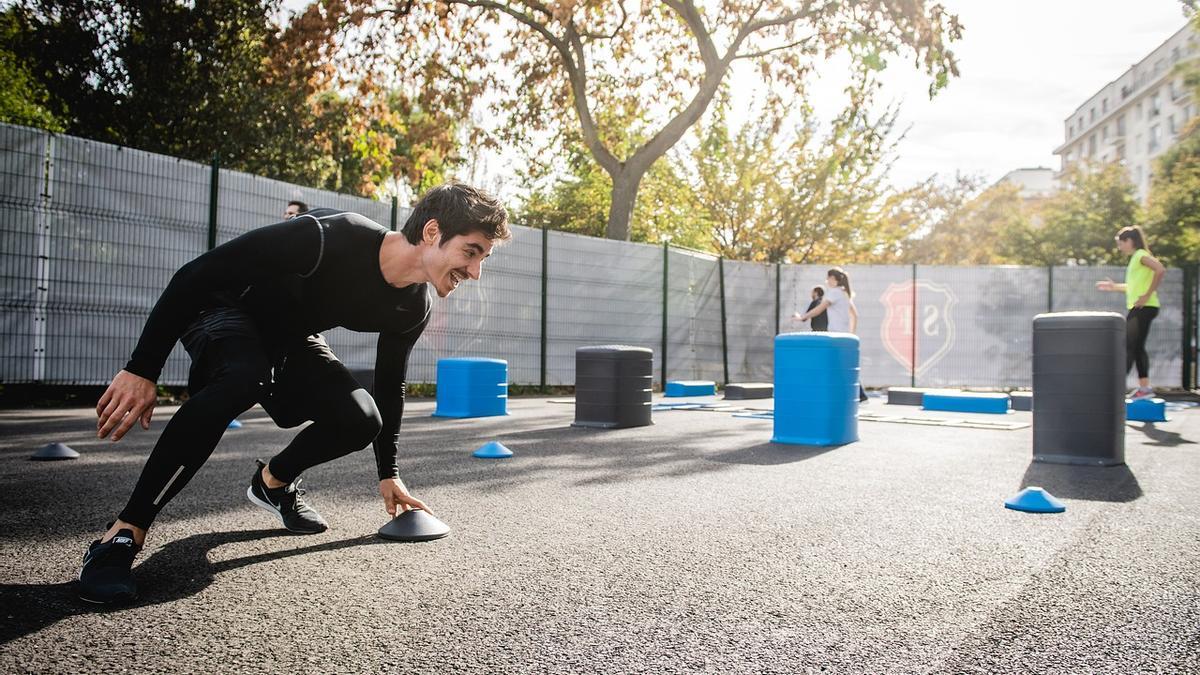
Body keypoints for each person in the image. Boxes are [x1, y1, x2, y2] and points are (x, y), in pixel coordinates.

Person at [78, 182, 510, 605]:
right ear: (432, 232)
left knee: (362, 418)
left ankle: (272, 483)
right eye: (471, 253)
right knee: (243, 378)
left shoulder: (412, 307)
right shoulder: (326, 236)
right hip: (223, 310)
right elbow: (196, 275)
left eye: (482, 259)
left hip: (288, 337)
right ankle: (123, 534)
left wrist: (388, 472)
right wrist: (142, 369)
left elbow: (389, 384)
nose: (475, 272)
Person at [1096, 225, 1165, 400]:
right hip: (1142, 307)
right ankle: (1143, 388)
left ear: (1130, 241)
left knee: (1129, 346)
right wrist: (1114, 287)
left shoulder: (1141, 255)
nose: (1120, 248)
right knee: (1135, 346)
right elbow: (1133, 288)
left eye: (1121, 244)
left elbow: (1160, 269)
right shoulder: (1135, 258)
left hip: (1143, 308)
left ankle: (1121, 386)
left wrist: (1147, 295)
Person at [795, 267, 868, 402]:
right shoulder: (845, 293)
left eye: (828, 278)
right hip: (844, 335)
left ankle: (859, 394)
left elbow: (819, 309)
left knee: (829, 363)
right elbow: (855, 315)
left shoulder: (834, 292)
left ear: (833, 279)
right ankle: (859, 394)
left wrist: (802, 317)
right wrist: (851, 333)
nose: (827, 281)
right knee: (843, 365)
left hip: (835, 336)